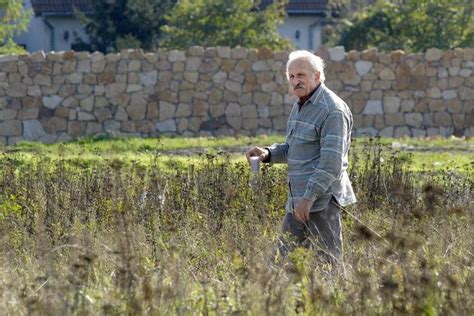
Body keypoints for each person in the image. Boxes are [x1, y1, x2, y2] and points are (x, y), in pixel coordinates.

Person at [246, 50, 356, 264]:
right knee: (281, 262)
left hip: (321, 200)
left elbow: (331, 164)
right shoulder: (301, 105)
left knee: (328, 263)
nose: (296, 81)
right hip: (298, 200)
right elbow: (293, 148)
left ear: (317, 76)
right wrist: (267, 154)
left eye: (301, 75)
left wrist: (309, 198)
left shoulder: (332, 110)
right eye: (292, 76)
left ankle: (336, 297)